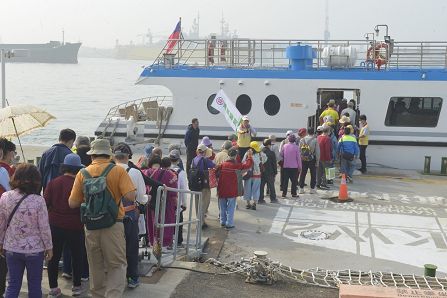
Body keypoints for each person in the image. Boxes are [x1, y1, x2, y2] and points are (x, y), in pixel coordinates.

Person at [69, 139, 136, 298]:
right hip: (113, 224)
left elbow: (72, 203)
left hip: (91, 226)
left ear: (92, 155)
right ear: (109, 154)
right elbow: (131, 196)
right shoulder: (118, 171)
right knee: (117, 265)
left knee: (96, 266)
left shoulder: (82, 173)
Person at [0, 164, 53, 298]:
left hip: (11, 248)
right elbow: (44, 227)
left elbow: (1, 224)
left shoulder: (5, 197)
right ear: (36, 180)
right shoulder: (39, 200)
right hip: (34, 250)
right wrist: (49, 247)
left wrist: (1, 242)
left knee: (12, 285)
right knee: (35, 286)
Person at [44, 154, 85, 297]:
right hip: (76, 225)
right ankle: (77, 286)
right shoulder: (80, 183)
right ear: (78, 169)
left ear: (64, 167)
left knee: (53, 257)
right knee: (77, 256)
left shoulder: (54, 182)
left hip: (55, 224)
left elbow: (46, 203)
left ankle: (53, 288)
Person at [113, 144, 147, 289]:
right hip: (129, 214)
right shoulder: (134, 172)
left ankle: (114, 279)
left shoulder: (108, 170)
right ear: (129, 156)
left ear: (114, 156)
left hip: (111, 215)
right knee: (131, 247)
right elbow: (141, 196)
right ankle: (132, 277)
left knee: (113, 248)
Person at [216, 148, 253, 229]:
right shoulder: (237, 165)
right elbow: (248, 165)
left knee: (222, 207)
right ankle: (229, 223)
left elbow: (215, 172)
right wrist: (249, 156)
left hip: (222, 189)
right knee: (231, 207)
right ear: (236, 156)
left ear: (228, 155)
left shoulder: (222, 165)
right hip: (232, 190)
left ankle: (222, 221)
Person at [191, 144, 215, 228]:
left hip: (195, 184)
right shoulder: (205, 159)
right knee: (204, 202)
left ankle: (199, 220)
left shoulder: (194, 159)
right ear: (204, 152)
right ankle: (201, 222)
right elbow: (213, 165)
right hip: (204, 184)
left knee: (197, 202)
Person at [169, 150, 187, 246]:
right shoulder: (181, 172)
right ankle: (178, 240)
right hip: (177, 200)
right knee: (178, 221)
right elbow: (184, 189)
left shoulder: (166, 170)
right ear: (179, 160)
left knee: (167, 220)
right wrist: (184, 203)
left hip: (168, 201)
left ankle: (168, 239)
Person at [242, 141, 267, 210]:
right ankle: (254, 203)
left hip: (248, 175)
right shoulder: (260, 154)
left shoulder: (247, 154)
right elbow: (265, 159)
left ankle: (248, 203)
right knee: (256, 190)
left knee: (247, 189)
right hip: (257, 175)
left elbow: (243, 162)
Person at [299, 127, 320, 194]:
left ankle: (301, 188)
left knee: (303, 174)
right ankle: (312, 189)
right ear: (313, 132)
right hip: (312, 159)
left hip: (304, 159)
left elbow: (299, 150)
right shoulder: (315, 140)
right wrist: (317, 161)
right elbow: (317, 152)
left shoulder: (302, 140)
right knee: (313, 174)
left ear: (307, 132)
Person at [259, 139, 278, 203]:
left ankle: (260, 199)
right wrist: (275, 172)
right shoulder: (271, 153)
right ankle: (273, 199)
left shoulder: (260, 152)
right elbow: (274, 163)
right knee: (271, 186)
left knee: (261, 186)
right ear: (269, 145)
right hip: (270, 171)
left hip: (262, 171)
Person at [316, 126, 332, 190]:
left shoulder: (318, 137)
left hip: (318, 157)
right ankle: (324, 184)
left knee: (319, 171)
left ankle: (318, 183)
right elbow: (327, 150)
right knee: (326, 171)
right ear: (328, 132)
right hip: (325, 158)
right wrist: (329, 158)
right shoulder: (327, 139)